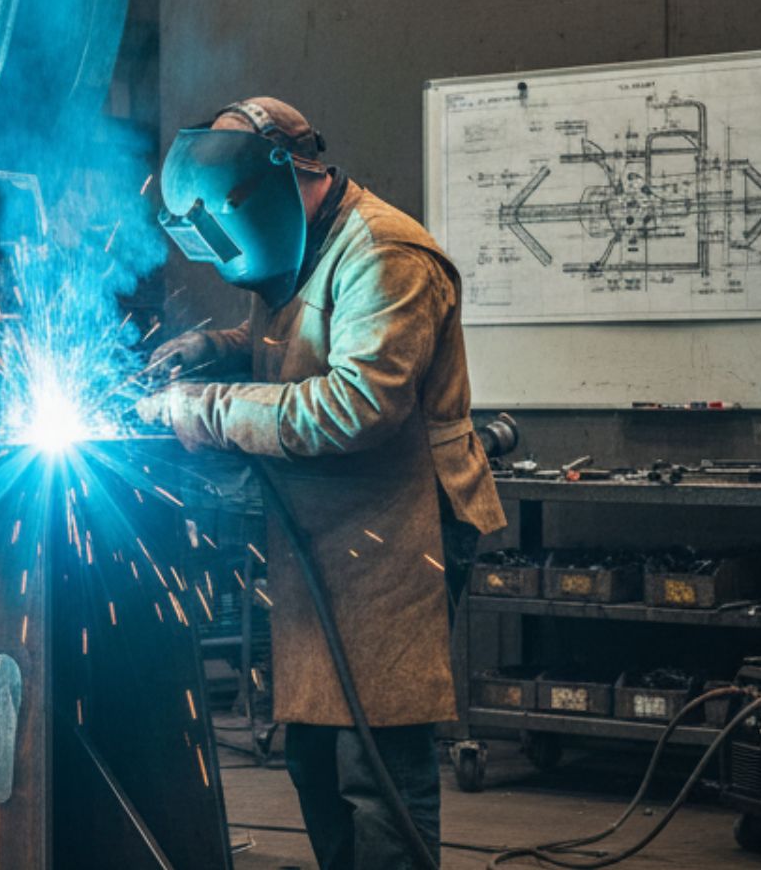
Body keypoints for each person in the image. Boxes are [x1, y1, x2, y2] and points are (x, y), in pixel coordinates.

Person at [136, 97, 506, 870]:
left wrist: (203, 408)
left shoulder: (387, 255)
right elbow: (291, 337)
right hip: (324, 530)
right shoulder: (299, 242)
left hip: (400, 531)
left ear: (288, 176)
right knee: (312, 752)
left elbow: (355, 405)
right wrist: (214, 349)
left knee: (373, 763)